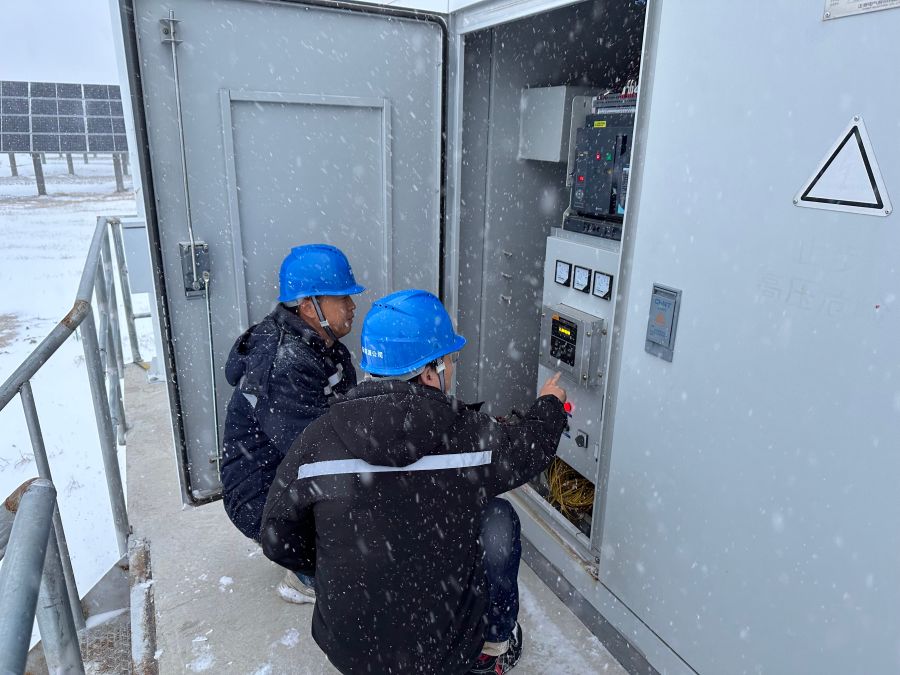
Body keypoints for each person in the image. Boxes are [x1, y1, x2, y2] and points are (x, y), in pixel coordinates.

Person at [260, 289, 567, 673]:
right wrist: (550, 404)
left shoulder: (318, 440)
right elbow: (529, 448)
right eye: (450, 358)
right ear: (430, 372)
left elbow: (277, 538)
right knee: (499, 518)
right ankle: (491, 648)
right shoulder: (469, 438)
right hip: (444, 656)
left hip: (351, 653)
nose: (452, 366)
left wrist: (341, 560)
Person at [220, 244, 365, 603]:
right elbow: (317, 453)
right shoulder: (284, 363)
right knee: (365, 511)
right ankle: (306, 575)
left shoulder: (319, 344)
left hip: (279, 477)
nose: (352, 306)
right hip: (259, 498)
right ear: (309, 307)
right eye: (342, 298)